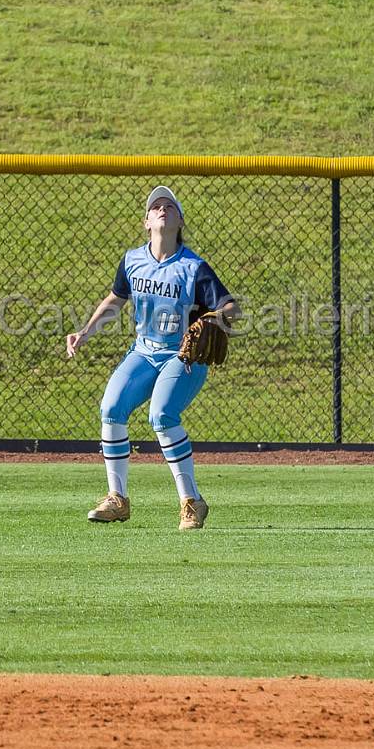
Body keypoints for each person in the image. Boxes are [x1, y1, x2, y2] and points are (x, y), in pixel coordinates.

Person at [66, 186, 237, 530]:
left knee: (161, 415)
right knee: (111, 408)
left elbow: (232, 307)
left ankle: (192, 502)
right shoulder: (132, 260)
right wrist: (85, 332)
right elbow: (116, 299)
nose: (161, 210)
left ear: (179, 220)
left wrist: (213, 319)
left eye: (169, 206)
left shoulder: (193, 267)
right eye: (155, 207)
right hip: (144, 351)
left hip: (182, 356)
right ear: (146, 221)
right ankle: (117, 499)